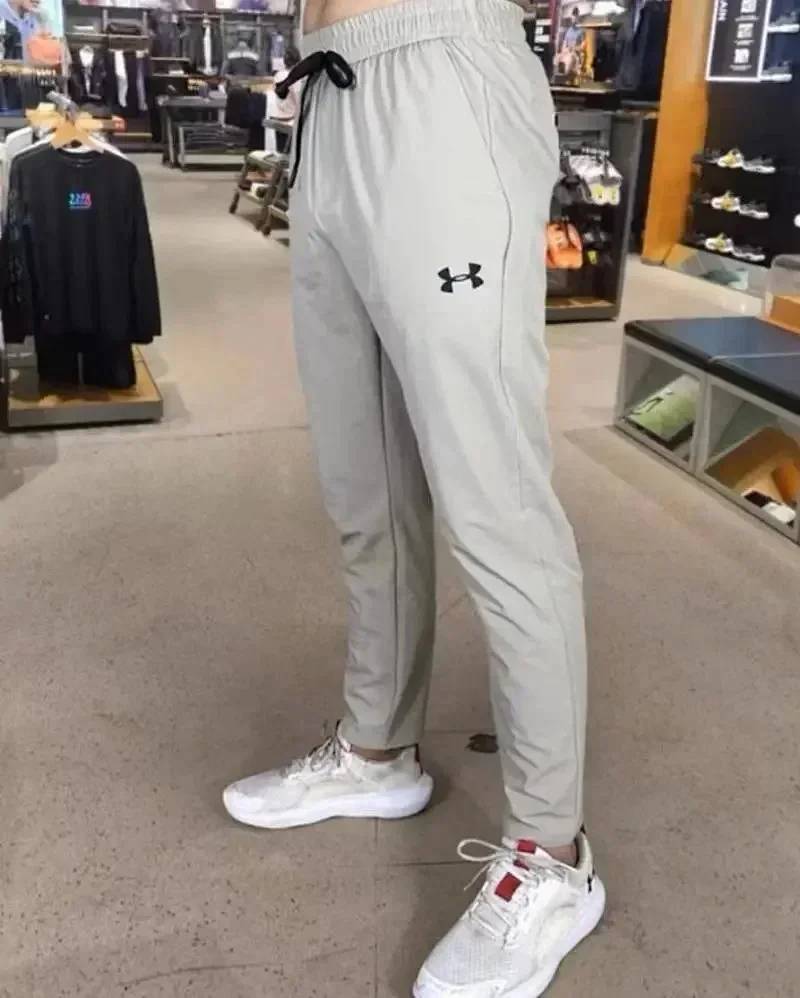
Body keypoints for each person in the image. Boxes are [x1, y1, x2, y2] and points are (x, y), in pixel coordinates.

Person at [223, 0, 605, 995]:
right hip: (328, 90)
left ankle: (551, 852)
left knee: (495, 503)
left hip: (439, 73)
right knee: (364, 480)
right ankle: (377, 748)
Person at [271, 44, 300, 154]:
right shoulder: (295, 78)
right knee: (291, 156)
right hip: (291, 122)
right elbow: (298, 101)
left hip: (279, 120)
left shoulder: (278, 76)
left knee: (280, 153)